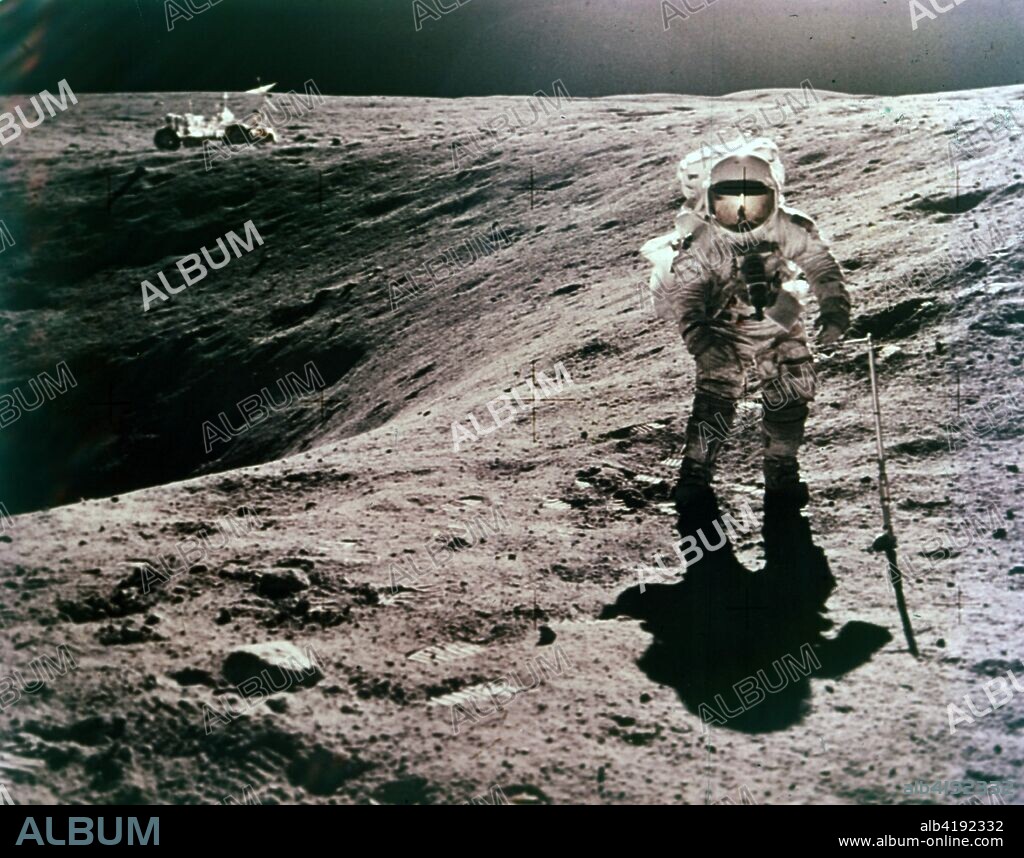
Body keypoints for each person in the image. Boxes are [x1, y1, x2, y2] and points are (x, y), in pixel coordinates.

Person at [641, 137, 850, 509]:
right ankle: (695, 473)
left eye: (752, 202)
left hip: (776, 316)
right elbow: (686, 295)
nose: (741, 214)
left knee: (791, 382)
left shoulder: (789, 226)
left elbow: (821, 267)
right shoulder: (705, 239)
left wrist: (834, 314)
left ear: (772, 196)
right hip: (720, 323)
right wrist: (698, 336)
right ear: (712, 201)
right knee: (718, 388)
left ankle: (781, 468)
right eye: (730, 203)